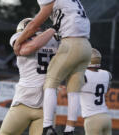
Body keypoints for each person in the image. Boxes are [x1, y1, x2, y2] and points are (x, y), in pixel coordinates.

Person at [13, 0, 92, 134]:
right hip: (86, 46)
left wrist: (18, 42)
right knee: (74, 89)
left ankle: (47, 126)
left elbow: (34, 24)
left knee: (50, 83)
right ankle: (70, 129)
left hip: (70, 43)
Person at [0, 18, 59, 135]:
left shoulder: (53, 38)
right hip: (25, 103)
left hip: (42, 107)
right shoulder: (18, 39)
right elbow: (32, 46)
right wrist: (54, 30)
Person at [63, 48, 112, 135]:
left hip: (92, 119)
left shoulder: (84, 75)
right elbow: (107, 89)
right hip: (106, 117)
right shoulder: (106, 74)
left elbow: (70, 87)